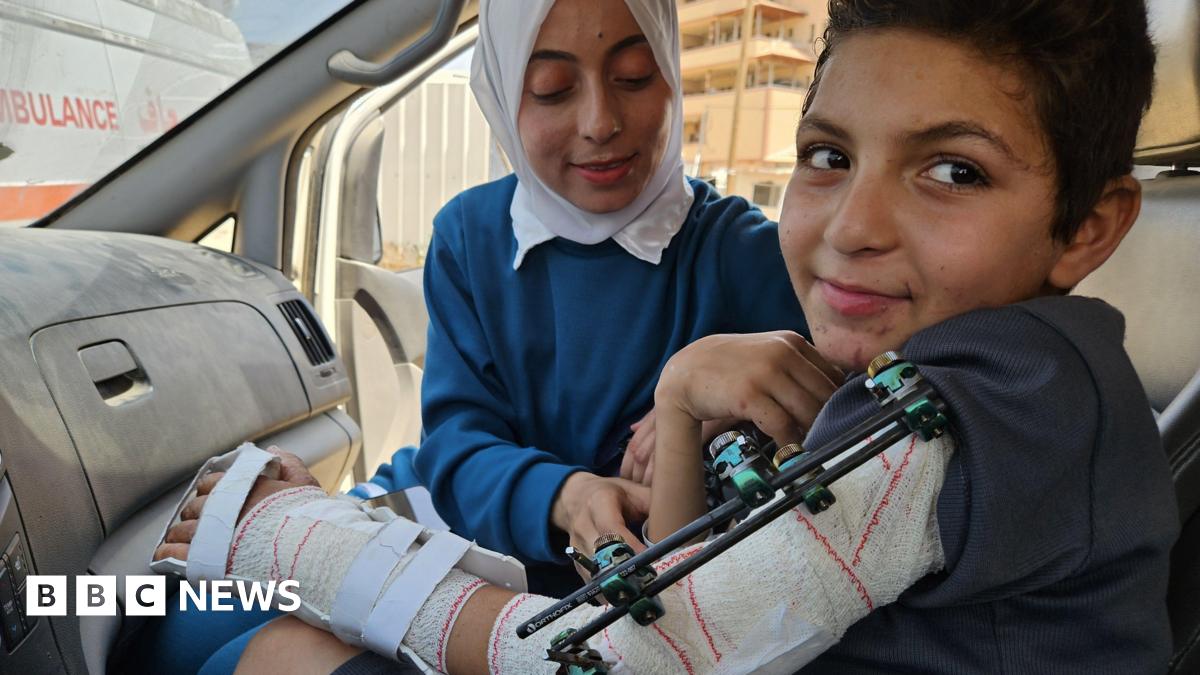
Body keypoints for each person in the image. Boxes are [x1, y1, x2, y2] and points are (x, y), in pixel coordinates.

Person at [155, 0, 1179, 672]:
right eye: (825, 156)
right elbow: (702, 579)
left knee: (264, 644)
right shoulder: (955, 372)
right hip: (555, 567)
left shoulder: (962, 402)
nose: (853, 228)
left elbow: (634, 651)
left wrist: (302, 537)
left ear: (1088, 227)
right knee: (194, 623)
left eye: (952, 172)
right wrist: (680, 402)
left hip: (582, 612)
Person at [366, 0, 820, 597]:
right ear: (504, 97)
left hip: (615, 602)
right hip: (471, 538)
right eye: (552, 90)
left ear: (671, 76)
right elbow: (453, 442)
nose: (600, 123)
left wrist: (732, 403)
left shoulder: (745, 253)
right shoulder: (469, 238)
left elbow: (838, 399)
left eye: (633, 75)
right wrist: (566, 495)